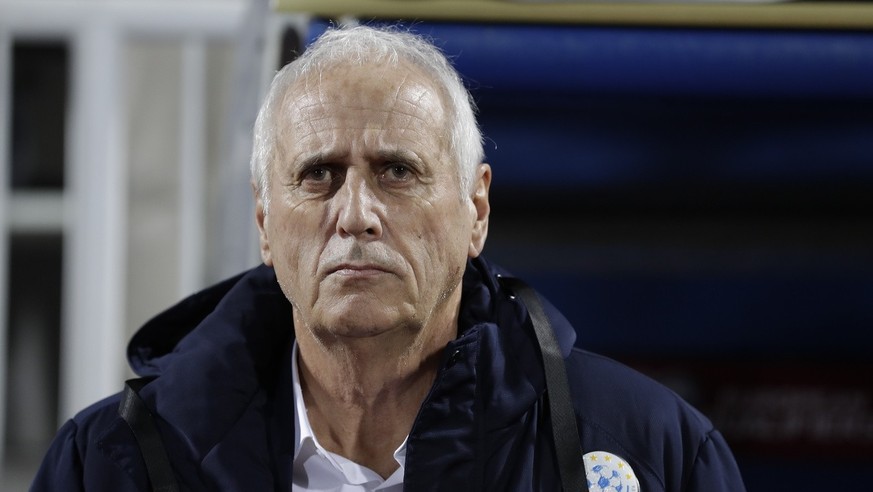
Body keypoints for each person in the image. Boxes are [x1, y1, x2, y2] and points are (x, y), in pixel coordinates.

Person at [32, 25, 745, 491]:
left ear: (476, 210)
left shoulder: (651, 454)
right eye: (318, 175)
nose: (356, 215)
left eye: (397, 172)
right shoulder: (106, 465)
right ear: (263, 222)